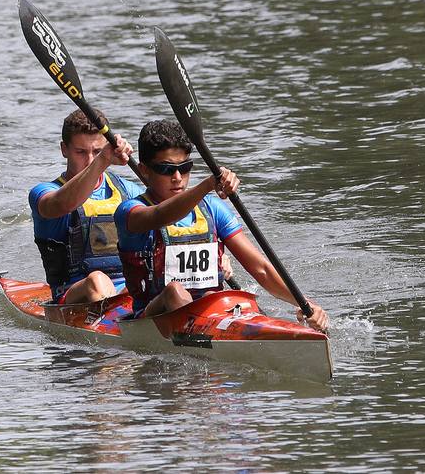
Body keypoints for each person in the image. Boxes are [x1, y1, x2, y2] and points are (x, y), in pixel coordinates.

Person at [115, 119, 329, 332]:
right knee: (175, 292)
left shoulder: (213, 209)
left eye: (185, 167)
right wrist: (208, 184)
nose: (178, 178)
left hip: (210, 313)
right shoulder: (130, 212)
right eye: (166, 169)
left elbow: (261, 269)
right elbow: (161, 215)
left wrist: (304, 303)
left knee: (227, 298)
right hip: (151, 316)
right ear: (144, 170)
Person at [29, 110, 140, 306]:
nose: (89, 160)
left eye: (97, 152)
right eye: (80, 152)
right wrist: (102, 160)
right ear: (64, 149)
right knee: (96, 280)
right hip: (71, 295)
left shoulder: (127, 190)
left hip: (127, 291)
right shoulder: (44, 192)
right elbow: (63, 204)